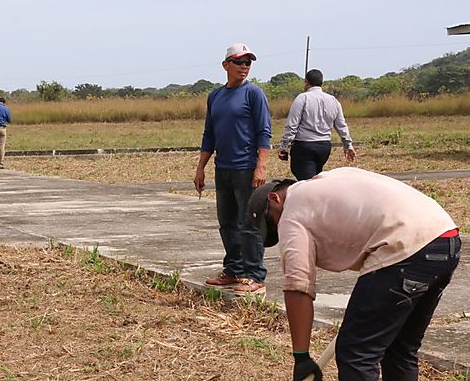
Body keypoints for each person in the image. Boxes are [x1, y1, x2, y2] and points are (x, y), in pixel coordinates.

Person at [248, 167, 460, 381]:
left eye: (271, 223)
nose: (279, 229)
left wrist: (301, 357)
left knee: (356, 354)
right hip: (445, 238)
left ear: (274, 198)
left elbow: (297, 287)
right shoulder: (329, 178)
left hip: (404, 246)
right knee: (400, 349)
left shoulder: (291, 211)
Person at [193, 43, 272, 295]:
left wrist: (261, 166)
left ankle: (254, 275)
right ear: (226, 65)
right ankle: (233, 270)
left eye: (248, 62)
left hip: (246, 168)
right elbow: (209, 134)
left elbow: (264, 132)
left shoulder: (254, 94)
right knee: (227, 222)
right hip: (223, 167)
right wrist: (201, 168)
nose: (245, 67)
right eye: (239, 62)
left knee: (248, 223)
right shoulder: (215, 96)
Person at [278, 69, 356, 180]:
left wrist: (284, 145)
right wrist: (348, 144)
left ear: (306, 82)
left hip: (305, 146)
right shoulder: (333, 100)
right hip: (324, 147)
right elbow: (341, 125)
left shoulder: (303, 98)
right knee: (315, 176)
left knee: (308, 182)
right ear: (321, 83)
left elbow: (292, 125)